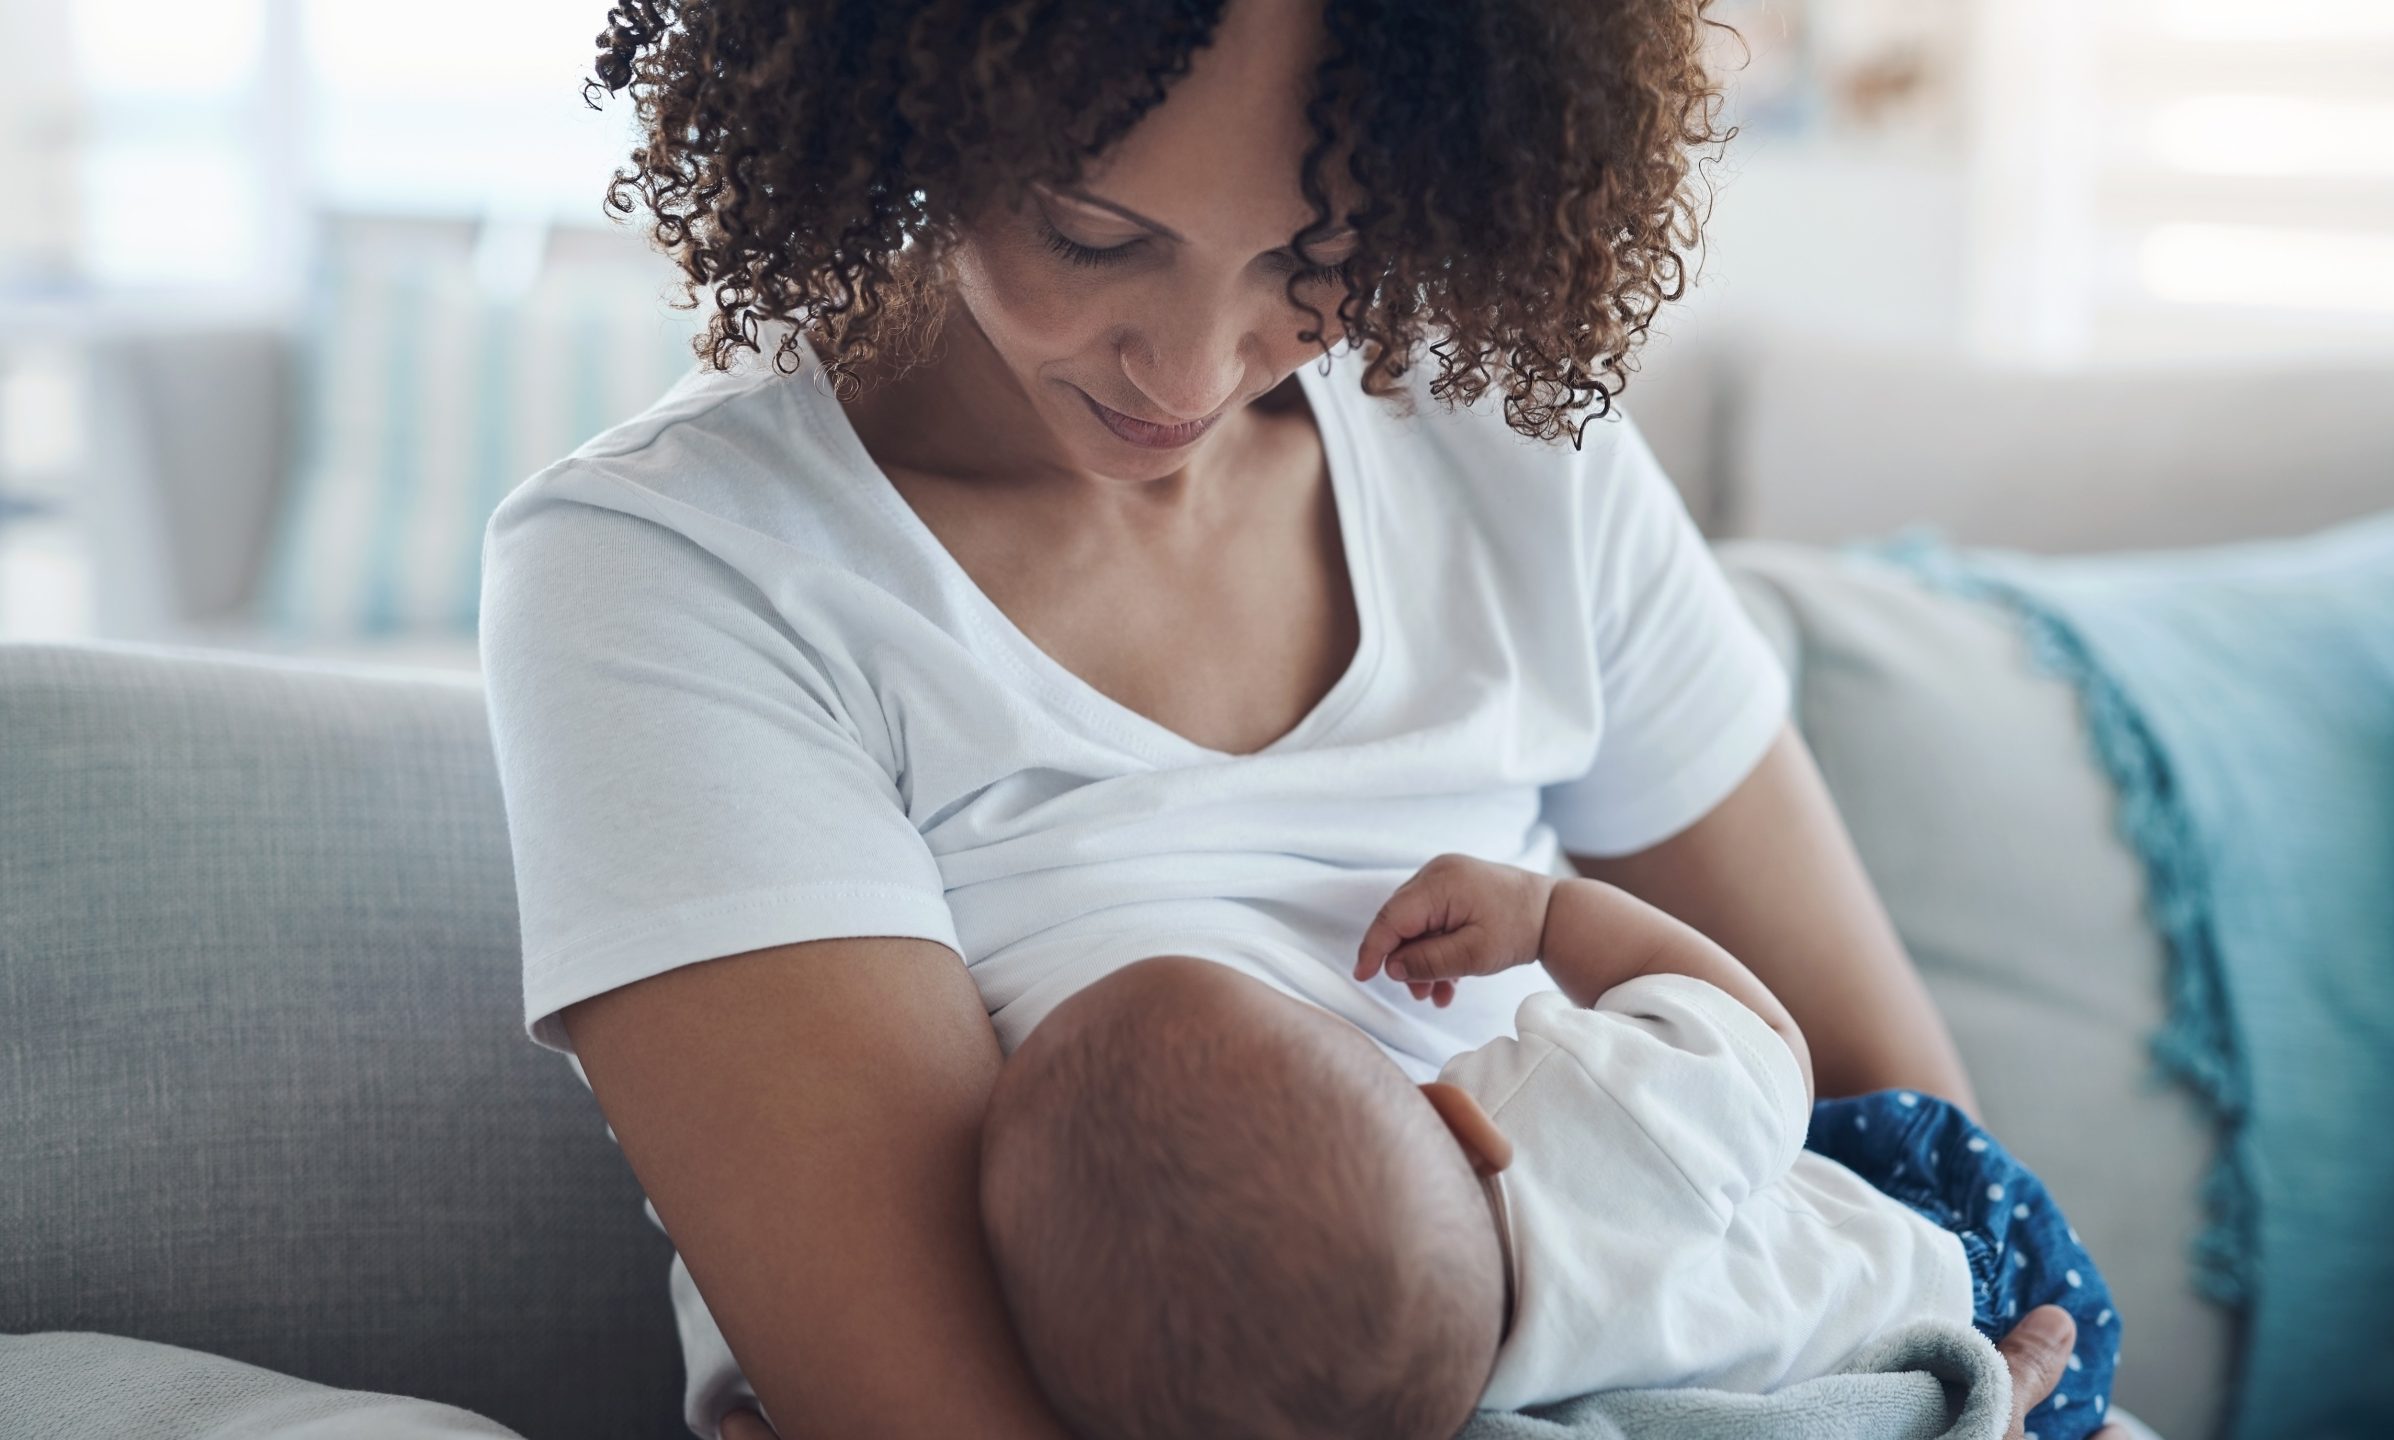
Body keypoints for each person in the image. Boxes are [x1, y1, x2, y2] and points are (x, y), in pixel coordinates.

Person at [476, 1, 2135, 1437]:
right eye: (1094, 231)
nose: (1190, 368)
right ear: (903, 81)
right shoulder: (678, 570)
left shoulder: (1509, 452)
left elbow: (1908, 1148)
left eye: (1316, 256)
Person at [976, 854, 2119, 1440]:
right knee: (1841, 1145)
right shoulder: (1569, 1111)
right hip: (1971, 1273)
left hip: (1910, 1394)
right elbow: (1767, 1044)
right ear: (1464, 1124)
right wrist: (1549, 915)